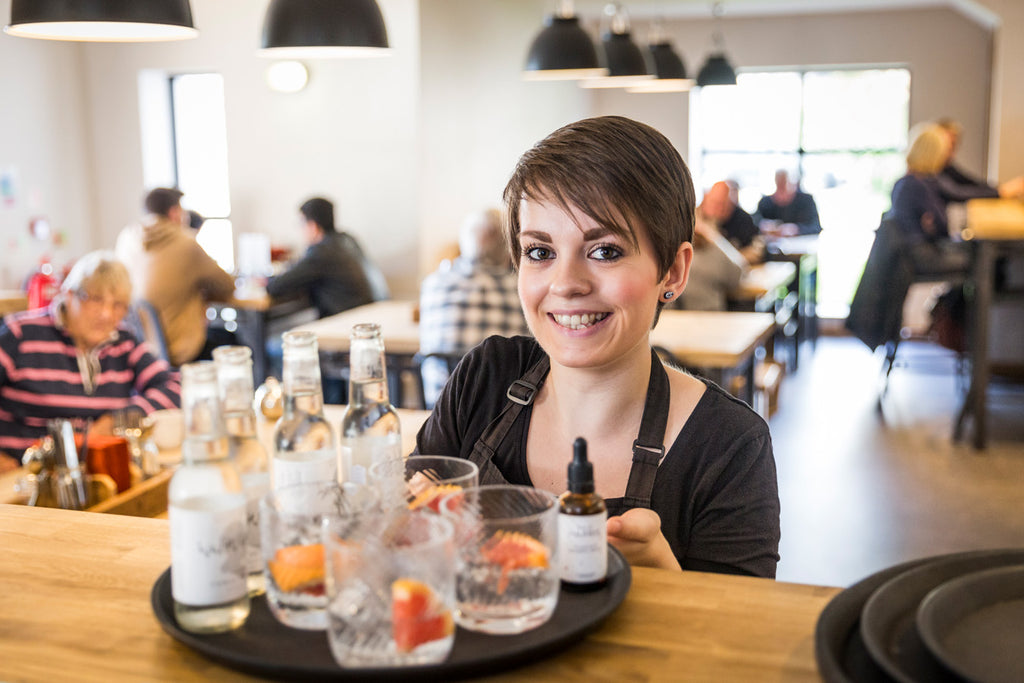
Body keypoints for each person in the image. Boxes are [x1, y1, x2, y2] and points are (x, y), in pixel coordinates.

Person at [415, 116, 781, 577]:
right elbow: (410, 529)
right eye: (540, 252)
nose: (565, 284)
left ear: (672, 272)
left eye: (604, 250)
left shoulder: (728, 445)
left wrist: (663, 575)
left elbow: (734, 643)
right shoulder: (485, 377)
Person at [0, 251, 180, 470]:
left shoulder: (123, 342)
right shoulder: (20, 334)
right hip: (23, 475)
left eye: (118, 305)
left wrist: (116, 420)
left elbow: (174, 386)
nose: (106, 314)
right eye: (95, 299)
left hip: (96, 471)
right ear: (68, 294)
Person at [418, 208, 530, 406]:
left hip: (439, 413)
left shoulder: (433, 285)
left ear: (464, 244)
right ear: (508, 250)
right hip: (506, 415)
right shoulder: (522, 290)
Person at [119, 188, 237, 367]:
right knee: (234, 341)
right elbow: (227, 285)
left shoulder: (127, 238)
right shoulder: (185, 242)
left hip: (141, 347)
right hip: (180, 349)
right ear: (174, 213)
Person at [265, 197, 385, 319]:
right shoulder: (347, 239)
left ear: (313, 226)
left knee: (280, 336)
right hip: (369, 314)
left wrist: (264, 280)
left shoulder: (322, 251)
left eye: (301, 224)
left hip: (347, 321)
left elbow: (276, 286)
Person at [674, 199, 749, 312]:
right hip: (712, 317)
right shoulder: (712, 249)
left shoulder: (671, 251)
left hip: (679, 319)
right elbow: (738, 274)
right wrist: (715, 237)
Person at [935, 117, 1024, 203]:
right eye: (948, 147)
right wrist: (1000, 192)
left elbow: (970, 182)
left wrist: (1000, 189)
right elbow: (956, 192)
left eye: (954, 147)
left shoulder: (945, 166)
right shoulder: (929, 170)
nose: (952, 154)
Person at [700, 180, 763, 264]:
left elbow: (757, 252)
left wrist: (732, 257)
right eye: (713, 202)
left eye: (722, 204)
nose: (718, 209)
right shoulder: (697, 220)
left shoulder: (743, 219)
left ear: (731, 204)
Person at [754, 170, 821, 236]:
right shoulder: (765, 202)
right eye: (779, 183)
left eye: (784, 182)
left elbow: (816, 227)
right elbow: (753, 224)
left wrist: (797, 229)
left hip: (801, 245)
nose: (782, 187)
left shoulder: (806, 201)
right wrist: (762, 225)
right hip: (771, 245)